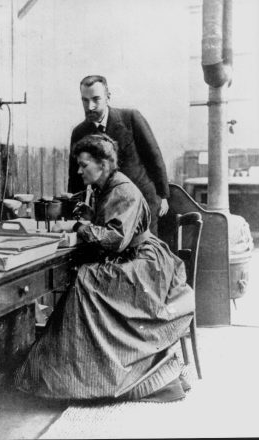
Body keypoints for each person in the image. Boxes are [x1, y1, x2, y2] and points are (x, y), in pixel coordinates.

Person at [15, 134, 195, 403]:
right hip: (135, 258)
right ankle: (73, 368)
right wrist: (88, 218)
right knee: (86, 277)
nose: (79, 171)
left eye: (84, 165)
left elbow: (115, 240)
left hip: (145, 265)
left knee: (86, 282)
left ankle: (87, 375)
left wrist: (78, 227)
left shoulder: (122, 190)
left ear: (103, 164)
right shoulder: (108, 187)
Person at [68, 74, 169, 236]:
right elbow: (75, 176)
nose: (90, 106)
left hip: (142, 199)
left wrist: (163, 196)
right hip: (107, 205)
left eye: (96, 99)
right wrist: (75, 211)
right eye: (85, 101)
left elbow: (154, 156)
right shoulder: (79, 132)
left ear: (108, 97)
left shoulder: (131, 118)